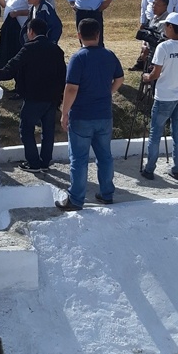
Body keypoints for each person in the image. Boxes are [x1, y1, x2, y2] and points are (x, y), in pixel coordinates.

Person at [56, 18, 124, 211]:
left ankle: (76, 199)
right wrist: (108, 92)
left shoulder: (78, 58)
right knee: (105, 156)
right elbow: (120, 79)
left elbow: (71, 89)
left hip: (82, 116)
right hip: (104, 115)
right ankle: (106, 193)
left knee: (79, 159)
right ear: (98, 34)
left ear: (79, 36)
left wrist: (64, 112)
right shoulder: (109, 55)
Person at [0, 18, 66, 173]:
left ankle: (33, 163)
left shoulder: (29, 48)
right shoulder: (56, 50)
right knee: (48, 131)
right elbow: (63, 75)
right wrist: (60, 96)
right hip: (52, 98)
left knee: (26, 129)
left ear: (30, 31)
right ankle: (45, 162)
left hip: (34, 96)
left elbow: (12, 66)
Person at [140, 12, 178, 181]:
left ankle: (149, 169)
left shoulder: (163, 47)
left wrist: (146, 77)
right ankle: (176, 168)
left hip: (164, 97)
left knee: (155, 134)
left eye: (165, 25)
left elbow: (155, 74)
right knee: (177, 133)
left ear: (170, 27)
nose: (163, 28)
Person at [129, 0, 169, 72]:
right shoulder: (153, 18)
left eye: (157, 5)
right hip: (149, 55)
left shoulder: (167, 21)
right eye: (153, 3)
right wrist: (144, 46)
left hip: (159, 57)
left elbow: (162, 41)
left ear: (165, 6)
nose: (154, 6)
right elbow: (147, 34)